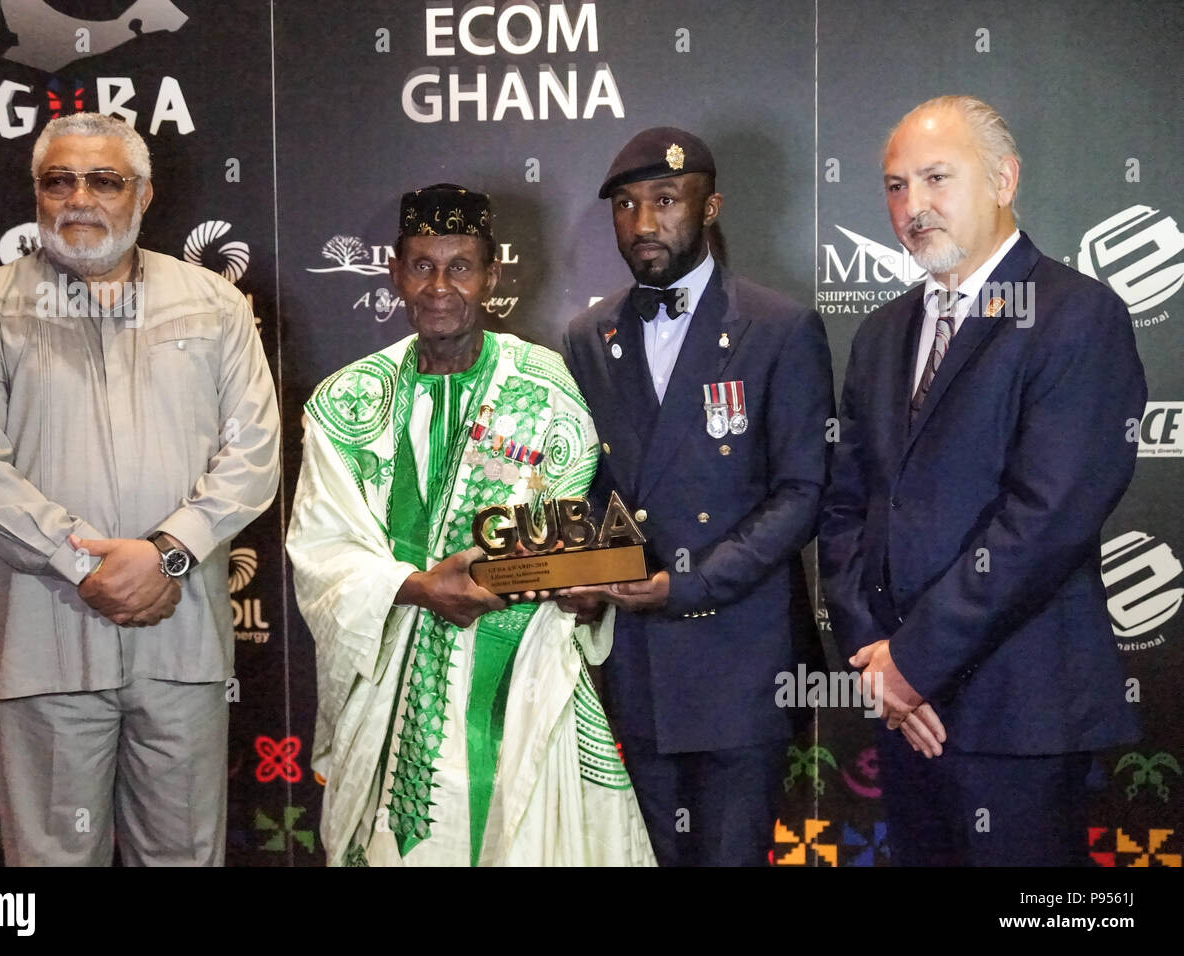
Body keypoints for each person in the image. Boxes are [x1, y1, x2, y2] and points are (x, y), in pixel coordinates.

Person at [0, 112, 281, 865]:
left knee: (184, 856)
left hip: (180, 639)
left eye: (103, 181)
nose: (78, 198)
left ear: (144, 195)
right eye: (58, 181)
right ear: (36, 194)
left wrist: (169, 553)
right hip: (47, 642)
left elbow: (254, 454)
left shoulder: (212, 305)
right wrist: (83, 563)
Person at [818, 95, 1146, 866]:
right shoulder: (880, 334)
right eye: (896, 186)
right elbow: (845, 509)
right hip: (903, 716)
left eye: (937, 178)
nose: (913, 205)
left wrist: (914, 663)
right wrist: (877, 662)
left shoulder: (1077, 316)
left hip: (1019, 718)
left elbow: (1047, 521)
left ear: (1004, 178)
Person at [286, 183, 654, 866]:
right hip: (388, 694)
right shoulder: (346, 400)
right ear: (394, 272)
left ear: (490, 274)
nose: (439, 286)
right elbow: (321, 549)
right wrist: (420, 587)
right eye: (421, 265)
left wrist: (584, 589)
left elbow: (572, 534)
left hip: (518, 679)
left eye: (460, 266)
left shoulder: (545, 388)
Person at [560, 128, 834, 866]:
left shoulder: (780, 328)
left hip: (740, 657)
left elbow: (803, 493)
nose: (644, 222)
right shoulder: (587, 337)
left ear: (709, 206)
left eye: (665, 200)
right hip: (635, 665)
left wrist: (691, 583)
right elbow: (586, 486)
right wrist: (578, 572)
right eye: (626, 204)